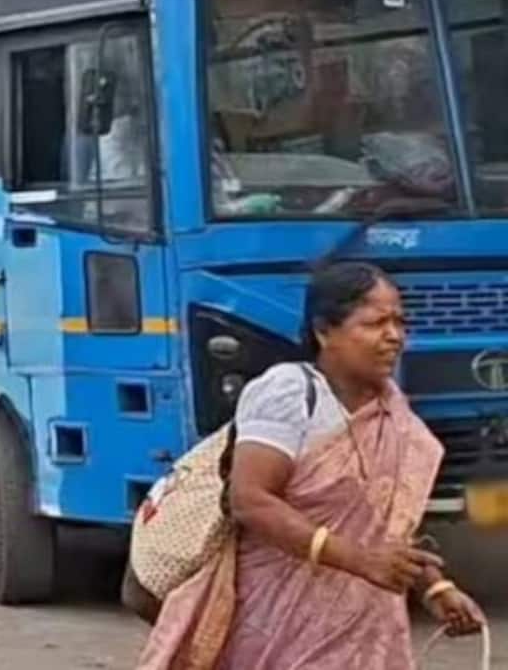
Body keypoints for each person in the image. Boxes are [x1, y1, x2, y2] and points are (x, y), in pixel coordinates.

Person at [138, 261, 485, 669]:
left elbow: (390, 525)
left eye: (399, 323)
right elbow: (250, 500)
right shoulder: (288, 393)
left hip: (365, 629)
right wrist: (359, 560)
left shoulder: (395, 416)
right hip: (278, 623)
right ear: (324, 331)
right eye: (375, 323)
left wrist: (436, 588)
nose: (394, 337)